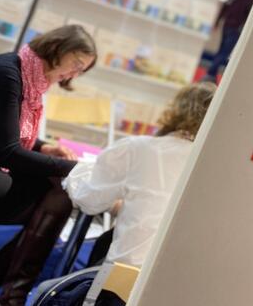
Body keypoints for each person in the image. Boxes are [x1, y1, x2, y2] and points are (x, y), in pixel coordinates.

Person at [63, 82, 215, 267]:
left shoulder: (141, 148)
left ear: (176, 110)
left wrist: (77, 172)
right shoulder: (215, 164)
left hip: (130, 265)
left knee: (104, 246)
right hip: (184, 269)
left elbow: (89, 200)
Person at [0, 25, 97, 305]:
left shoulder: (27, 75)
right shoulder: (9, 74)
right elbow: (7, 152)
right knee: (58, 189)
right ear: (57, 48)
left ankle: (13, 291)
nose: (74, 75)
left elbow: (6, 132)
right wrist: (72, 168)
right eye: (76, 65)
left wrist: (43, 147)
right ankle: (13, 293)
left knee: (56, 189)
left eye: (81, 71)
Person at [207, 0, 253, 78]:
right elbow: (248, 16)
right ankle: (210, 74)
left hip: (226, 25)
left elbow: (225, 7)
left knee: (221, 51)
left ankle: (211, 74)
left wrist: (217, 22)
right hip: (235, 28)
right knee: (224, 53)